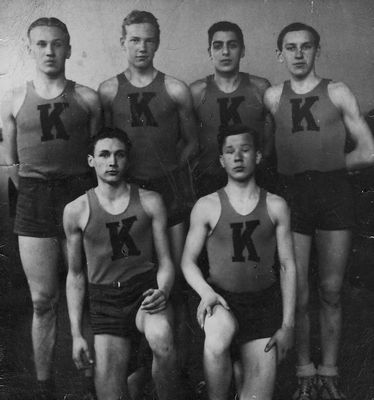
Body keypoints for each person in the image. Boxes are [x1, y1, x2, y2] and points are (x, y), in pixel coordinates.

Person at [264, 22, 374, 399]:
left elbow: (369, 150)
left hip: (333, 193)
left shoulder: (338, 91)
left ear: (316, 51)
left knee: (330, 290)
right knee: (299, 292)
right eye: (290, 48)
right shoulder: (273, 97)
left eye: (305, 47)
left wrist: (326, 163)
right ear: (280, 54)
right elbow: (268, 151)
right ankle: (303, 371)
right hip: (293, 197)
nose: (298, 54)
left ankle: (330, 372)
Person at [0, 17, 101, 400]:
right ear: (30, 49)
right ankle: (45, 388)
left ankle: (93, 384)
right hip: (35, 197)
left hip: (79, 195)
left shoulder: (88, 98)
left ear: (69, 48)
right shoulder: (12, 99)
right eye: (41, 44)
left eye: (57, 44)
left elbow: (99, 155)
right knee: (43, 300)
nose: (49, 51)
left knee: (89, 291)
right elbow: (10, 160)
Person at [181, 124, 296, 400]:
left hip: (262, 308)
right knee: (220, 333)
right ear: (221, 160)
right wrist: (207, 293)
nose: (237, 157)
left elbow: (287, 265)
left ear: (257, 156)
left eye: (245, 150)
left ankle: (238, 372)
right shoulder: (207, 205)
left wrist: (288, 326)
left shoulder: (276, 205)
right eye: (230, 151)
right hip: (223, 302)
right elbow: (187, 261)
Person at [64, 127, 180, 400]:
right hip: (106, 304)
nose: (112, 162)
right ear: (91, 160)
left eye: (119, 155)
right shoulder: (76, 210)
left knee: (162, 337)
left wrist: (162, 290)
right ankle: (135, 376)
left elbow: (166, 262)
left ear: (128, 160)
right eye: (104, 155)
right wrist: (77, 335)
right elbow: (75, 275)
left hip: (144, 293)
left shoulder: (150, 201)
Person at [98, 10, 197, 268]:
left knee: (174, 268)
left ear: (157, 43)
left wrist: (170, 169)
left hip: (168, 188)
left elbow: (192, 142)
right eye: (134, 40)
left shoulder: (175, 89)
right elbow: (105, 147)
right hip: (127, 188)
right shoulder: (108, 90)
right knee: (134, 267)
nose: (142, 47)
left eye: (149, 40)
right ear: (123, 43)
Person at [190, 21, 275, 198]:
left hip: (255, 178)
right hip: (210, 179)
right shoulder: (198, 91)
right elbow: (188, 140)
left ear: (242, 51)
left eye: (232, 45)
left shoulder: (259, 87)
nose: (226, 52)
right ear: (209, 52)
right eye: (218, 46)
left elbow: (269, 140)